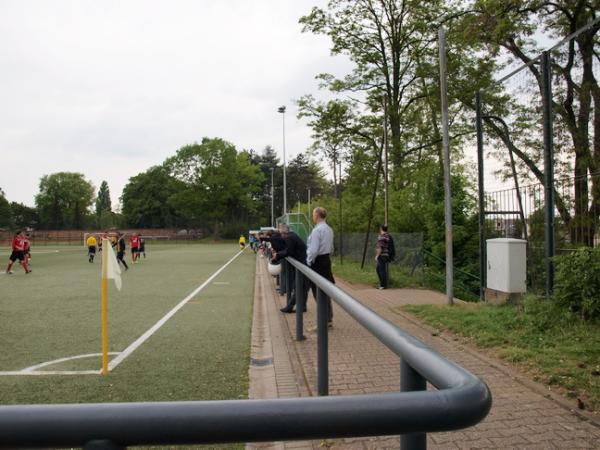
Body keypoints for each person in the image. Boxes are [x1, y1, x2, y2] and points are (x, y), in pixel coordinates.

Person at [306, 207, 334, 325]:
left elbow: (313, 250)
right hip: (326, 260)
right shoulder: (329, 229)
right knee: (325, 289)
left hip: (317, 262)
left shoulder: (317, 230)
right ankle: (328, 317)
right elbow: (331, 247)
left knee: (317, 290)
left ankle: (324, 319)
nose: (312, 217)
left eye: (313, 214)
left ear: (317, 215)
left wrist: (308, 261)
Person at [272, 224, 308, 313]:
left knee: (299, 286)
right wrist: (279, 253)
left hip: (303, 264)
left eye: (281, 233)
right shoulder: (292, 235)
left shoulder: (290, 237)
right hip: (304, 263)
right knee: (302, 286)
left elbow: (289, 251)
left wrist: (277, 255)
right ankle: (302, 306)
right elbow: (287, 249)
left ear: (284, 233)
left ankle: (290, 306)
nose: (281, 235)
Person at [375, 224, 392, 289]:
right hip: (386, 255)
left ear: (381, 228)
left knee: (381, 270)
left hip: (382, 255)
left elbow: (380, 247)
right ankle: (382, 284)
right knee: (379, 269)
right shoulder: (387, 236)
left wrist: (377, 255)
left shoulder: (382, 237)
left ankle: (383, 285)